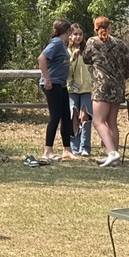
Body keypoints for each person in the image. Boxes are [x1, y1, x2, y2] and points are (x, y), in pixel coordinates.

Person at [82, 16, 129, 167]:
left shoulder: (92, 42)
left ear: (95, 28)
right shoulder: (121, 44)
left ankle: (112, 152)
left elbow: (86, 59)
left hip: (101, 86)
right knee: (111, 122)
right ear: (110, 27)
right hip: (118, 86)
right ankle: (114, 155)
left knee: (98, 121)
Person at [38, 19, 76, 161]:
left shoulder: (62, 44)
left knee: (66, 116)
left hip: (61, 84)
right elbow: (41, 59)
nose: (70, 37)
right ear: (66, 32)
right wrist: (47, 79)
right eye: (70, 34)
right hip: (52, 84)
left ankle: (67, 150)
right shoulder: (56, 43)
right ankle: (48, 150)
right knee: (55, 117)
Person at [67, 23, 94, 158]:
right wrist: (73, 58)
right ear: (70, 35)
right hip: (72, 88)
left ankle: (85, 147)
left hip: (87, 88)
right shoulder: (66, 50)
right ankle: (74, 146)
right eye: (75, 34)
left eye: (80, 34)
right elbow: (66, 71)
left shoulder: (87, 50)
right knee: (73, 116)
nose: (78, 37)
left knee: (85, 115)